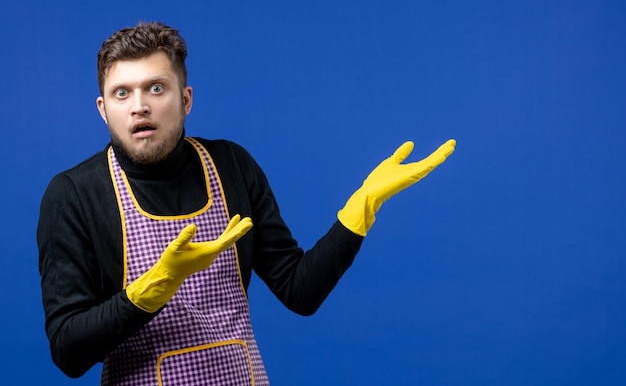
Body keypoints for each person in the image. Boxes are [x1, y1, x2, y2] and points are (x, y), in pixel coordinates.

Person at [37, 21, 456, 386]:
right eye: (121, 93)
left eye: (156, 88)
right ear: (103, 109)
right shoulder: (74, 194)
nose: (139, 106)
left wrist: (362, 207)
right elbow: (68, 353)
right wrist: (152, 288)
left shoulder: (230, 165)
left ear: (185, 100)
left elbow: (299, 291)